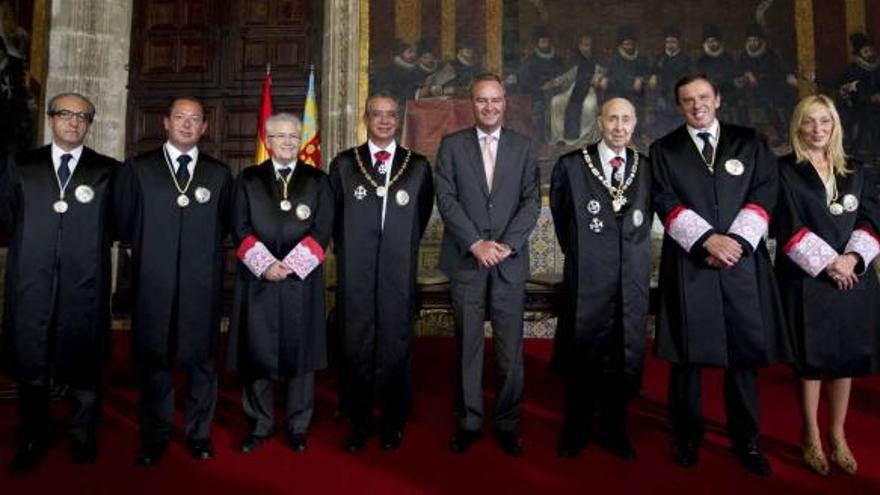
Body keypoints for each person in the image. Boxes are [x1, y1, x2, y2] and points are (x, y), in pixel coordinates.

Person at [650, 74, 790, 476]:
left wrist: (736, 244)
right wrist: (708, 241)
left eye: (704, 97)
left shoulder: (750, 142)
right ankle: (687, 437)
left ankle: (745, 441)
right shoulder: (664, 150)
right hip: (691, 263)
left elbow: (765, 192)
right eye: (688, 100)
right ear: (678, 106)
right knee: (687, 361)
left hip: (742, 265)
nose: (697, 106)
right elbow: (664, 199)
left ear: (718, 98)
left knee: (742, 359)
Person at [0, 93, 119, 472]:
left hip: (84, 282)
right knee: (33, 362)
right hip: (31, 281)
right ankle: (32, 435)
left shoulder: (108, 170)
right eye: (65, 114)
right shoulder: (21, 165)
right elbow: (5, 219)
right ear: (51, 119)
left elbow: (117, 225)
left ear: (89, 124)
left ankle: (83, 434)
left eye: (82, 117)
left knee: (83, 361)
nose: (74, 122)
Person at [114, 96, 233, 466]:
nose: (186, 124)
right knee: (155, 362)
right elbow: (124, 222)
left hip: (202, 285)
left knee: (202, 363)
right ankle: (156, 435)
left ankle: (199, 434)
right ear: (165, 123)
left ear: (204, 128)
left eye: (194, 119)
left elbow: (226, 226)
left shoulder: (218, 174)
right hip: (155, 285)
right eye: (179, 117)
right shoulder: (139, 169)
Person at [773, 95, 880, 476]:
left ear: (834, 126)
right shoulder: (783, 170)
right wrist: (828, 262)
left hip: (853, 276)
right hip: (807, 277)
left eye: (825, 122)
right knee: (811, 362)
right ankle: (811, 435)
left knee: (845, 358)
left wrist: (851, 259)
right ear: (798, 127)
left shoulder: (857, 169)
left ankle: (838, 435)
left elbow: (871, 218)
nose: (817, 130)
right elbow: (784, 223)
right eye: (809, 122)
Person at [435, 72, 540, 456]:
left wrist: (507, 245)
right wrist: (476, 242)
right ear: (471, 103)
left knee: (510, 350)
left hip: (509, 264)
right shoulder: (451, 146)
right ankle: (469, 422)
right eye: (482, 100)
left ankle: (508, 424)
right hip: (467, 261)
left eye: (495, 100)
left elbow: (531, 201)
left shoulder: (524, 147)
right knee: (468, 346)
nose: (489, 107)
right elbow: (446, 199)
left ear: (505, 102)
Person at [329, 93, 434, 452]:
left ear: (399, 120)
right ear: (366, 118)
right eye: (378, 115)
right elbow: (335, 218)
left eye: (392, 115)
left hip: (396, 271)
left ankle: (393, 419)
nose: (385, 121)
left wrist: (393, 250)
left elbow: (418, 218)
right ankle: (359, 420)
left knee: (395, 343)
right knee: (355, 344)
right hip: (355, 271)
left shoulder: (417, 165)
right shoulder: (344, 164)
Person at [550, 97, 652, 460]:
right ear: (600, 122)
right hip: (589, 277)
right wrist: (589, 256)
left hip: (631, 280)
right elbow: (565, 223)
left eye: (626, 119)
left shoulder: (647, 167)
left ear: (634, 123)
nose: (619, 127)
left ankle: (614, 428)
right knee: (584, 350)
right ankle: (576, 428)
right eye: (612, 119)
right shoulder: (572, 166)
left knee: (622, 355)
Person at [227, 113, 333, 454]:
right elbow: (239, 227)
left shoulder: (318, 180)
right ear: (267, 141)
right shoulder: (248, 179)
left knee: (301, 356)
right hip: (258, 280)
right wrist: (265, 265)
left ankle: (298, 425)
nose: (287, 142)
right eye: (280, 136)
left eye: (292, 136)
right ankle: (259, 424)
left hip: (300, 282)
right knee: (256, 352)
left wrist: (291, 266)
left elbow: (323, 230)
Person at [735, 24, 798, 145]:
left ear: (760, 41)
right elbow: (738, 74)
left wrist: (788, 76)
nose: (753, 43)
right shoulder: (744, 56)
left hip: (773, 88)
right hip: (754, 91)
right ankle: (770, 133)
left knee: (782, 99)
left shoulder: (771, 55)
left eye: (755, 40)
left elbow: (781, 70)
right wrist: (747, 74)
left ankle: (783, 133)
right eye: (750, 41)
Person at [546, 33, 606, 145]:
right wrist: (555, 82)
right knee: (556, 102)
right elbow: (567, 77)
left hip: (590, 91)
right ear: (579, 46)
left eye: (588, 45)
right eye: (584, 45)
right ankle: (559, 137)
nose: (586, 48)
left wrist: (598, 78)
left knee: (589, 106)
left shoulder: (598, 61)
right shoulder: (575, 60)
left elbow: (602, 74)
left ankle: (585, 139)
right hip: (572, 90)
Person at [838, 33, 880, 163]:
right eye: (865, 51)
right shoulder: (852, 70)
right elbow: (849, 94)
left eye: (870, 50)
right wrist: (870, 98)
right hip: (860, 108)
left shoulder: (878, 67)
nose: (870, 54)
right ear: (859, 54)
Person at [647, 27, 692, 139]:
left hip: (678, 98)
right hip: (662, 99)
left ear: (678, 43)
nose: (670, 45)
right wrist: (653, 77)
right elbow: (652, 74)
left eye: (673, 42)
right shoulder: (659, 58)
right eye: (668, 42)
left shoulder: (686, 59)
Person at [695, 25, 740, 124]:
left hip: (728, 92)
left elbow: (734, 76)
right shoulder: (701, 61)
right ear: (705, 44)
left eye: (714, 41)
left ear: (719, 42)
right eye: (709, 41)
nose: (712, 44)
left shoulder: (728, 58)